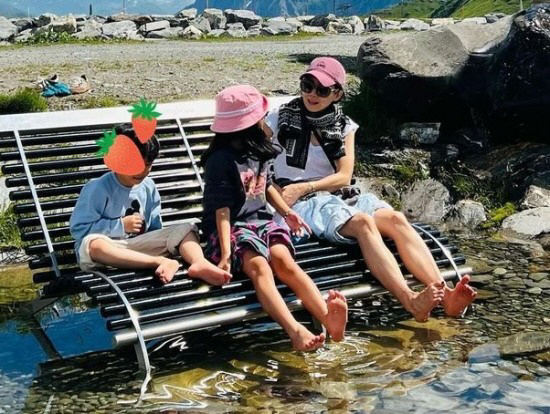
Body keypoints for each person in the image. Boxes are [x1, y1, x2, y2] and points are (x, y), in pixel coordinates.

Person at [264, 57, 477, 322]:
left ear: (337, 94)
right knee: (363, 223)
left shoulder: (344, 126)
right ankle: (410, 301)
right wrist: (287, 193)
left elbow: (344, 177)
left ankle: (445, 297)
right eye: (308, 85)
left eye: (322, 90)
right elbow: (255, 163)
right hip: (300, 204)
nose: (312, 94)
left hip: (335, 195)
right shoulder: (277, 118)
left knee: (396, 219)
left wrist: (307, 185)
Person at [201, 84, 348, 351]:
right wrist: (224, 255)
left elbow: (267, 186)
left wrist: (287, 213)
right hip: (230, 230)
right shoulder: (221, 160)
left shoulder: (259, 150)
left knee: (285, 262)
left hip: (260, 223)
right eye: (259, 118)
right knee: (260, 267)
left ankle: (329, 319)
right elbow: (221, 212)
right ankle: (295, 331)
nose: (263, 122)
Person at [69, 125, 232, 286]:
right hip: (109, 251)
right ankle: (158, 262)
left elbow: (155, 228)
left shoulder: (148, 186)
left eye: (147, 165)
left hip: (139, 247)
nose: (141, 171)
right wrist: (120, 225)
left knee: (186, 229)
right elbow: (79, 230)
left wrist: (160, 240)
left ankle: (198, 262)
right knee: (94, 245)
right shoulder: (98, 188)